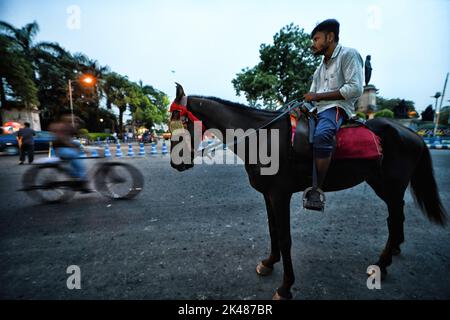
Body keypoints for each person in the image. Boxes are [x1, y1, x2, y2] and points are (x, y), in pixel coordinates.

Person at [303, 19, 364, 211]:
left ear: (329, 37)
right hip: (317, 110)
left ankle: (317, 188)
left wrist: (317, 96)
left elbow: (355, 88)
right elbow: (311, 98)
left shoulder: (348, 54)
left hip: (337, 108)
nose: (312, 43)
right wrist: (303, 106)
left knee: (322, 135)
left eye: (316, 39)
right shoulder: (319, 69)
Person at [48, 114, 91, 192]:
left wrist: (79, 121)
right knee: (80, 166)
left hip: (62, 149)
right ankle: (81, 183)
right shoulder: (62, 127)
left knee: (76, 163)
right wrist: (72, 146)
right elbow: (62, 139)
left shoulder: (66, 127)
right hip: (62, 149)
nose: (73, 122)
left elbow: (77, 131)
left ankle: (77, 180)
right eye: (72, 120)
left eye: (74, 121)